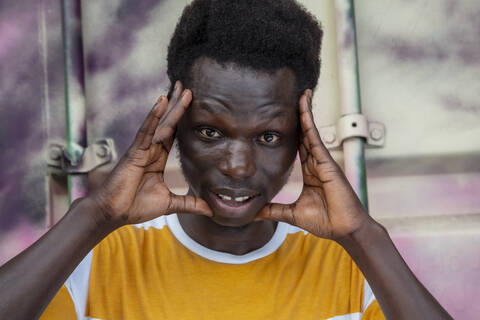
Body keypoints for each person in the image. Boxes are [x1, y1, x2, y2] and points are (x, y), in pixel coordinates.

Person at [0, 0, 452, 319]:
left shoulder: (355, 271)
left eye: (269, 135)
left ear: (302, 139)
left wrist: (365, 235)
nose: (237, 165)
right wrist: (94, 214)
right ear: (174, 127)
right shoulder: (96, 261)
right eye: (211, 131)